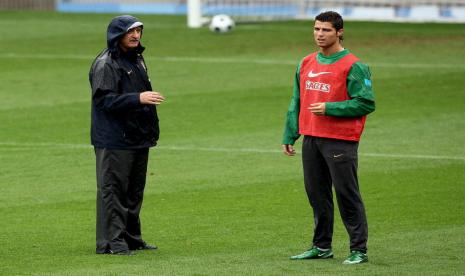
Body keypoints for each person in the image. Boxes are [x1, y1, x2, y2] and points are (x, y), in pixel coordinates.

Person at [282, 11, 375, 264]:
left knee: (347, 194)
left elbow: (366, 103)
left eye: (326, 30)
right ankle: (321, 246)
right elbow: (296, 100)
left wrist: (330, 108)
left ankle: (359, 250)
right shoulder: (306, 62)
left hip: (339, 140)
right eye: (316, 29)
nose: (319, 35)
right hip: (312, 138)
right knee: (317, 195)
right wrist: (290, 133)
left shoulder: (354, 65)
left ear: (339, 32)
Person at [89, 15, 165, 255]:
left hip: (137, 136)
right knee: (114, 190)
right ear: (116, 35)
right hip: (115, 139)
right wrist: (138, 98)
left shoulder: (137, 58)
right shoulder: (106, 63)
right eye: (130, 32)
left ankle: (131, 238)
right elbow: (103, 100)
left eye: (138, 31)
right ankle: (112, 243)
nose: (135, 36)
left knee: (133, 191)